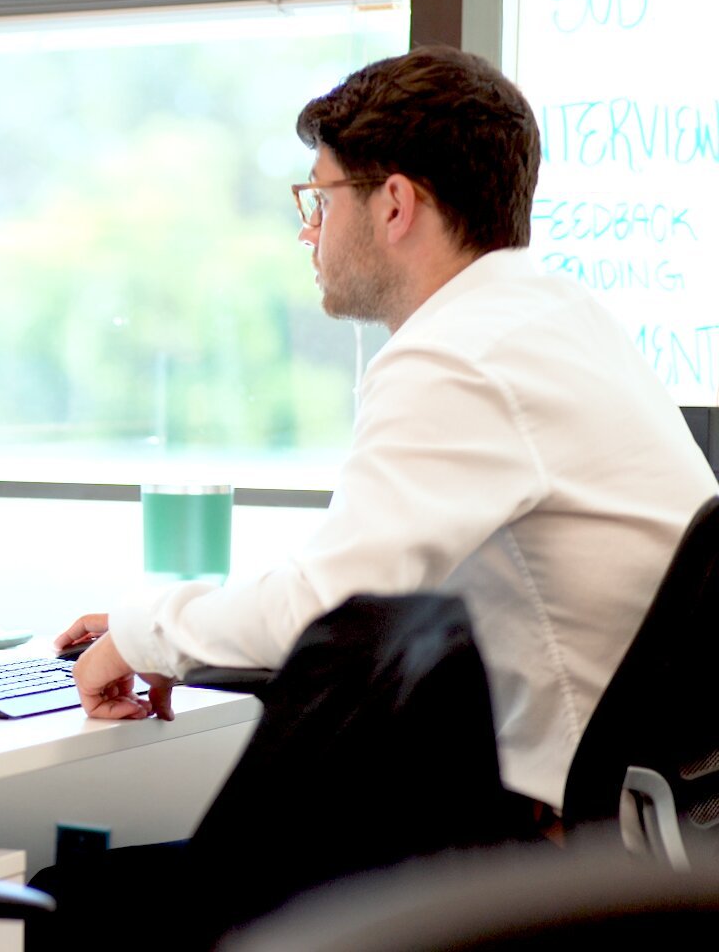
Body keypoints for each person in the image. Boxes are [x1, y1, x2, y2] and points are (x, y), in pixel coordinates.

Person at [62, 45, 716, 815]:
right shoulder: (558, 318)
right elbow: (353, 580)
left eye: (322, 198)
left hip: (549, 848)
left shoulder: (457, 356)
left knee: (77, 891)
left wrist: (145, 635)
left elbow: (329, 612)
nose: (310, 232)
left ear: (395, 205)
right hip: (649, 822)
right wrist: (171, 627)